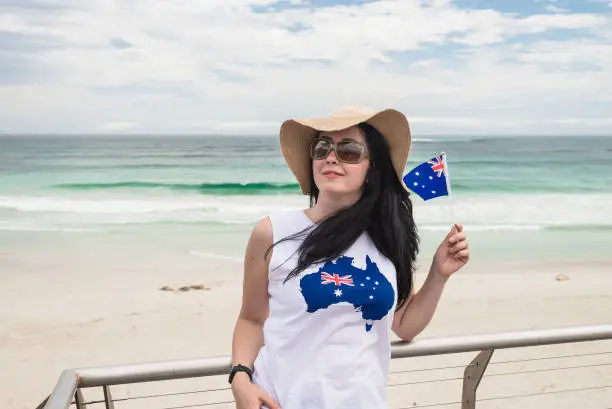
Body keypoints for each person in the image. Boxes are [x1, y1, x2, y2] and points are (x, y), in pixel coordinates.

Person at [229, 107, 470, 409]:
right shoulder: (271, 232)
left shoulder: (386, 240)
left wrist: (438, 273)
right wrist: (240, 378)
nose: (331, 156)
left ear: (372, 168)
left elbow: (405, 324)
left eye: (349, 151)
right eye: (321, 148)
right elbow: (251, 319)